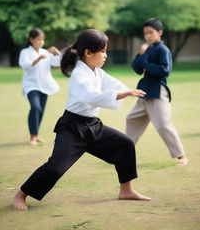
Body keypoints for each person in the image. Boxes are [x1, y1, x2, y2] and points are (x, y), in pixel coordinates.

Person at [13, 29, 151, 210]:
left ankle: (126, 190)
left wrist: (129, 90)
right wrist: (123, 93)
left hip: (92, 126)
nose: (105, 56)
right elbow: (91, 97)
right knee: (55, 167)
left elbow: (112, 83)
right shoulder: (79, 74)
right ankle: (21, 195)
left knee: (125, 144)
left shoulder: (96, 71)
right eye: (103, 51)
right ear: (88, 52)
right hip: (72, 128)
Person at [126, 18, 188, 166]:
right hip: (144, 91)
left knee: (163, 125)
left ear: (159, 32)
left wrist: (147, 64)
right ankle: (125, 152)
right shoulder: (147, 49)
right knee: (131, 119)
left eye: (151, 33)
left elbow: (165, 70)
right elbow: (136, 69)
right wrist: (141, 55)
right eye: (145, 34)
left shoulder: (163, 50)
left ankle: (181, 156)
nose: (147, 36)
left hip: (158, 91)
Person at [19, 28, 61, 145]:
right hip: (31, 85)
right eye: (38, 39)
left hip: (45, 85)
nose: (41, 42)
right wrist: (38, 59)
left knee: (41, 111)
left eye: (42, 40)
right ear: (31, 39)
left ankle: (36, 135)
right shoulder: (25, 52)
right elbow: (25, 65)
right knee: (35, 108)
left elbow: (58, 62)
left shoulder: (45, 52)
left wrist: (56, 52)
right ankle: (32, 137)